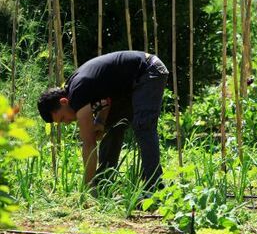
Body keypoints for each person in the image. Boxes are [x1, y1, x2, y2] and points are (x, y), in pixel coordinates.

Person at [37, 50, 169, 191]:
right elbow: (106, 96)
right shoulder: (73, 89)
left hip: (148, 71)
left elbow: (89, 144)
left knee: (143, 126)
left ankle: (154, 189)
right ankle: (104, 184)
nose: (68, 122)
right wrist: (100, 122)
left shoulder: (77, 93)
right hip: (131, 83)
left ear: (63, 102)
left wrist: (87, 189)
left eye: (63, 118)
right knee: (113, 127)